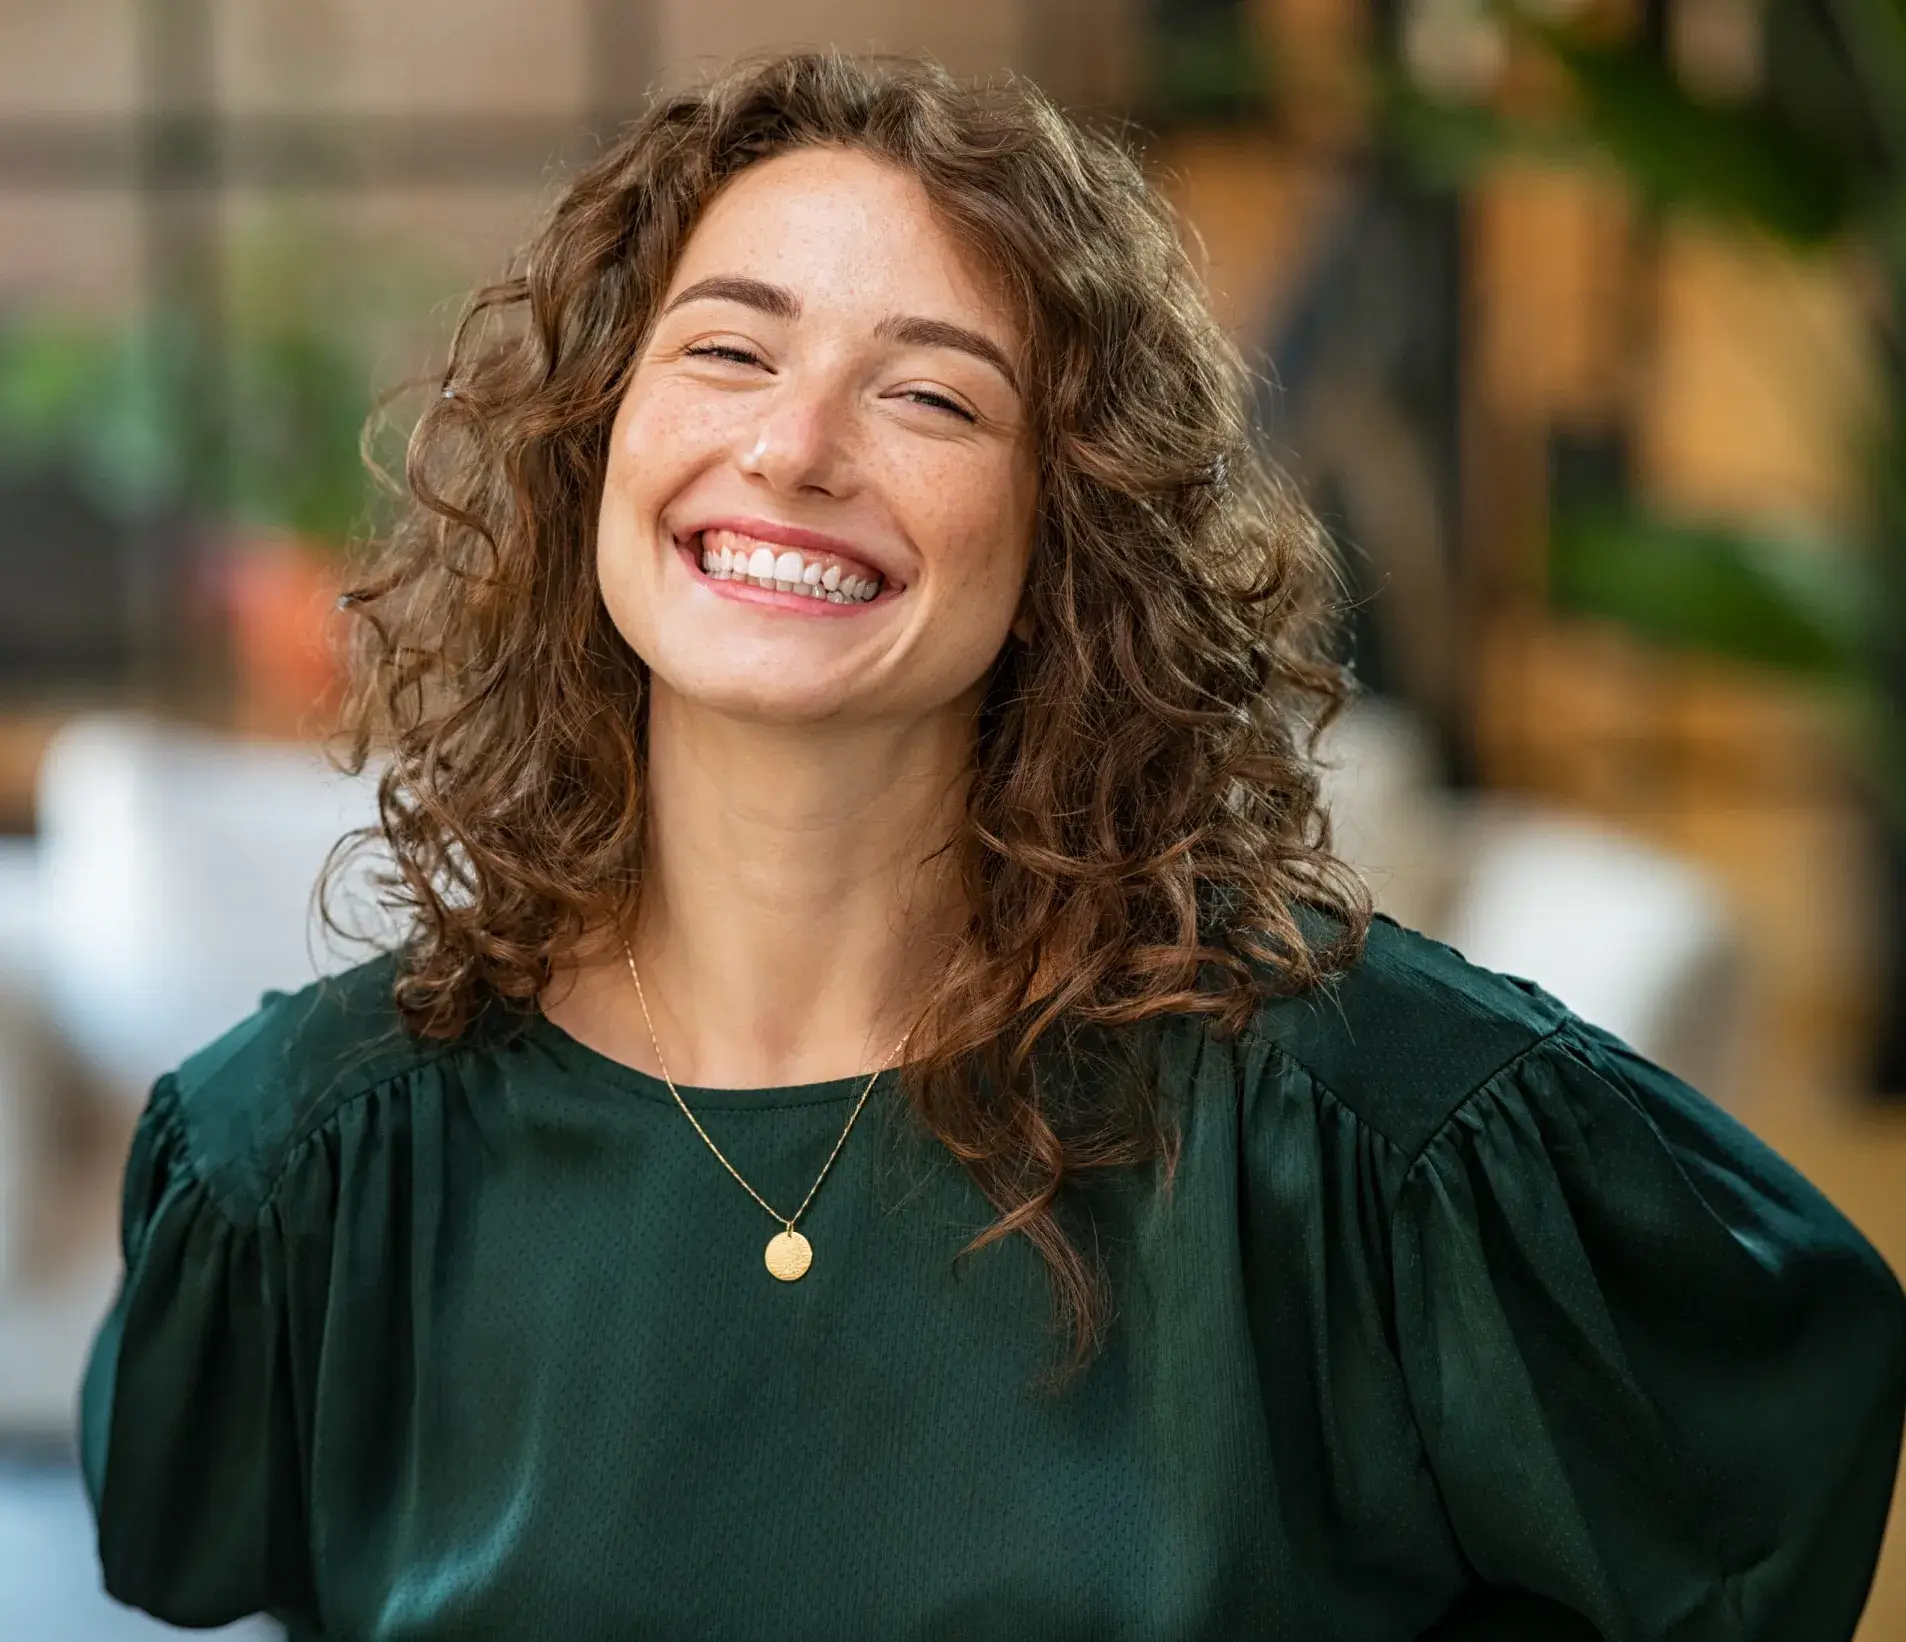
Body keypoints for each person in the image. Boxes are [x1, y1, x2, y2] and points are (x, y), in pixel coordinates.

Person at [78, 50, 1906, 1642]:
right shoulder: (305, 1165)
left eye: (931, 392)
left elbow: (1775, 1452)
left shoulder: (1355, 1128)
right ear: (593, 441)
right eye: (725, 350)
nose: (793, 445)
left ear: (1070, 538)